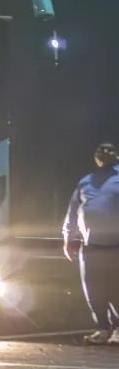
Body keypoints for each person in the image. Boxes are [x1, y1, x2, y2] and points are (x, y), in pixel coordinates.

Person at [63, 142, 119, 345]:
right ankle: (103, 328)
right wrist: (69, 239)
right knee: (94, 290)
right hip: (92, 246)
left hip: (116, 247)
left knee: (116, 289)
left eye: (108, 153)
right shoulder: (86, 182)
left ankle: (117, 328)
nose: (104, 157)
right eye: (101, 153)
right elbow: (73, 212)